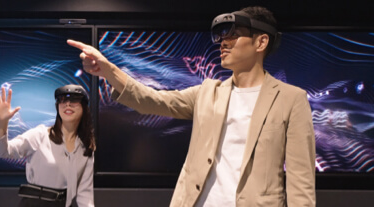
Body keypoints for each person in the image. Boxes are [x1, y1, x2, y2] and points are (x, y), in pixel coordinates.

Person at [67, 6, 315, 207]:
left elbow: (300, 183)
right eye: (221, 36)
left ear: (261, 42)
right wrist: (108, 71)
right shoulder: (208, 92)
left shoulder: (291, 99)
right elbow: (152, 100)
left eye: (233, 34)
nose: (223, 42)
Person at [0, 85, 95, 207]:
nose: (67, 104)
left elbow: (85, 196)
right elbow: (2, 151)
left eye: (74, 100)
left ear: (84, 107)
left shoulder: (85, 149)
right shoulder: (40, 135)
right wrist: (2, 123)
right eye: (62, 100)